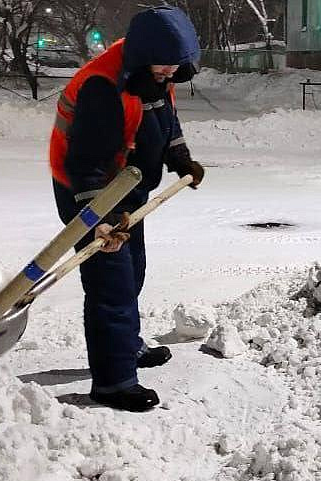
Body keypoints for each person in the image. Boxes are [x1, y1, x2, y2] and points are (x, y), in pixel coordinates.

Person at [49, 7, 205, 412]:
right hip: (90, 191)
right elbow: (85, 164)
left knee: (132, 272)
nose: (172, 72)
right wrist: (95, 220)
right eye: (166, 63)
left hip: (126, 188)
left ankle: (127, 347)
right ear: (145, 52)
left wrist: (181, 160)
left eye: (177, 64)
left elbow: (165, 125)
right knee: (110, 285)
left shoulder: (153, 72)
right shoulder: (103, 87)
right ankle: (113, 382)